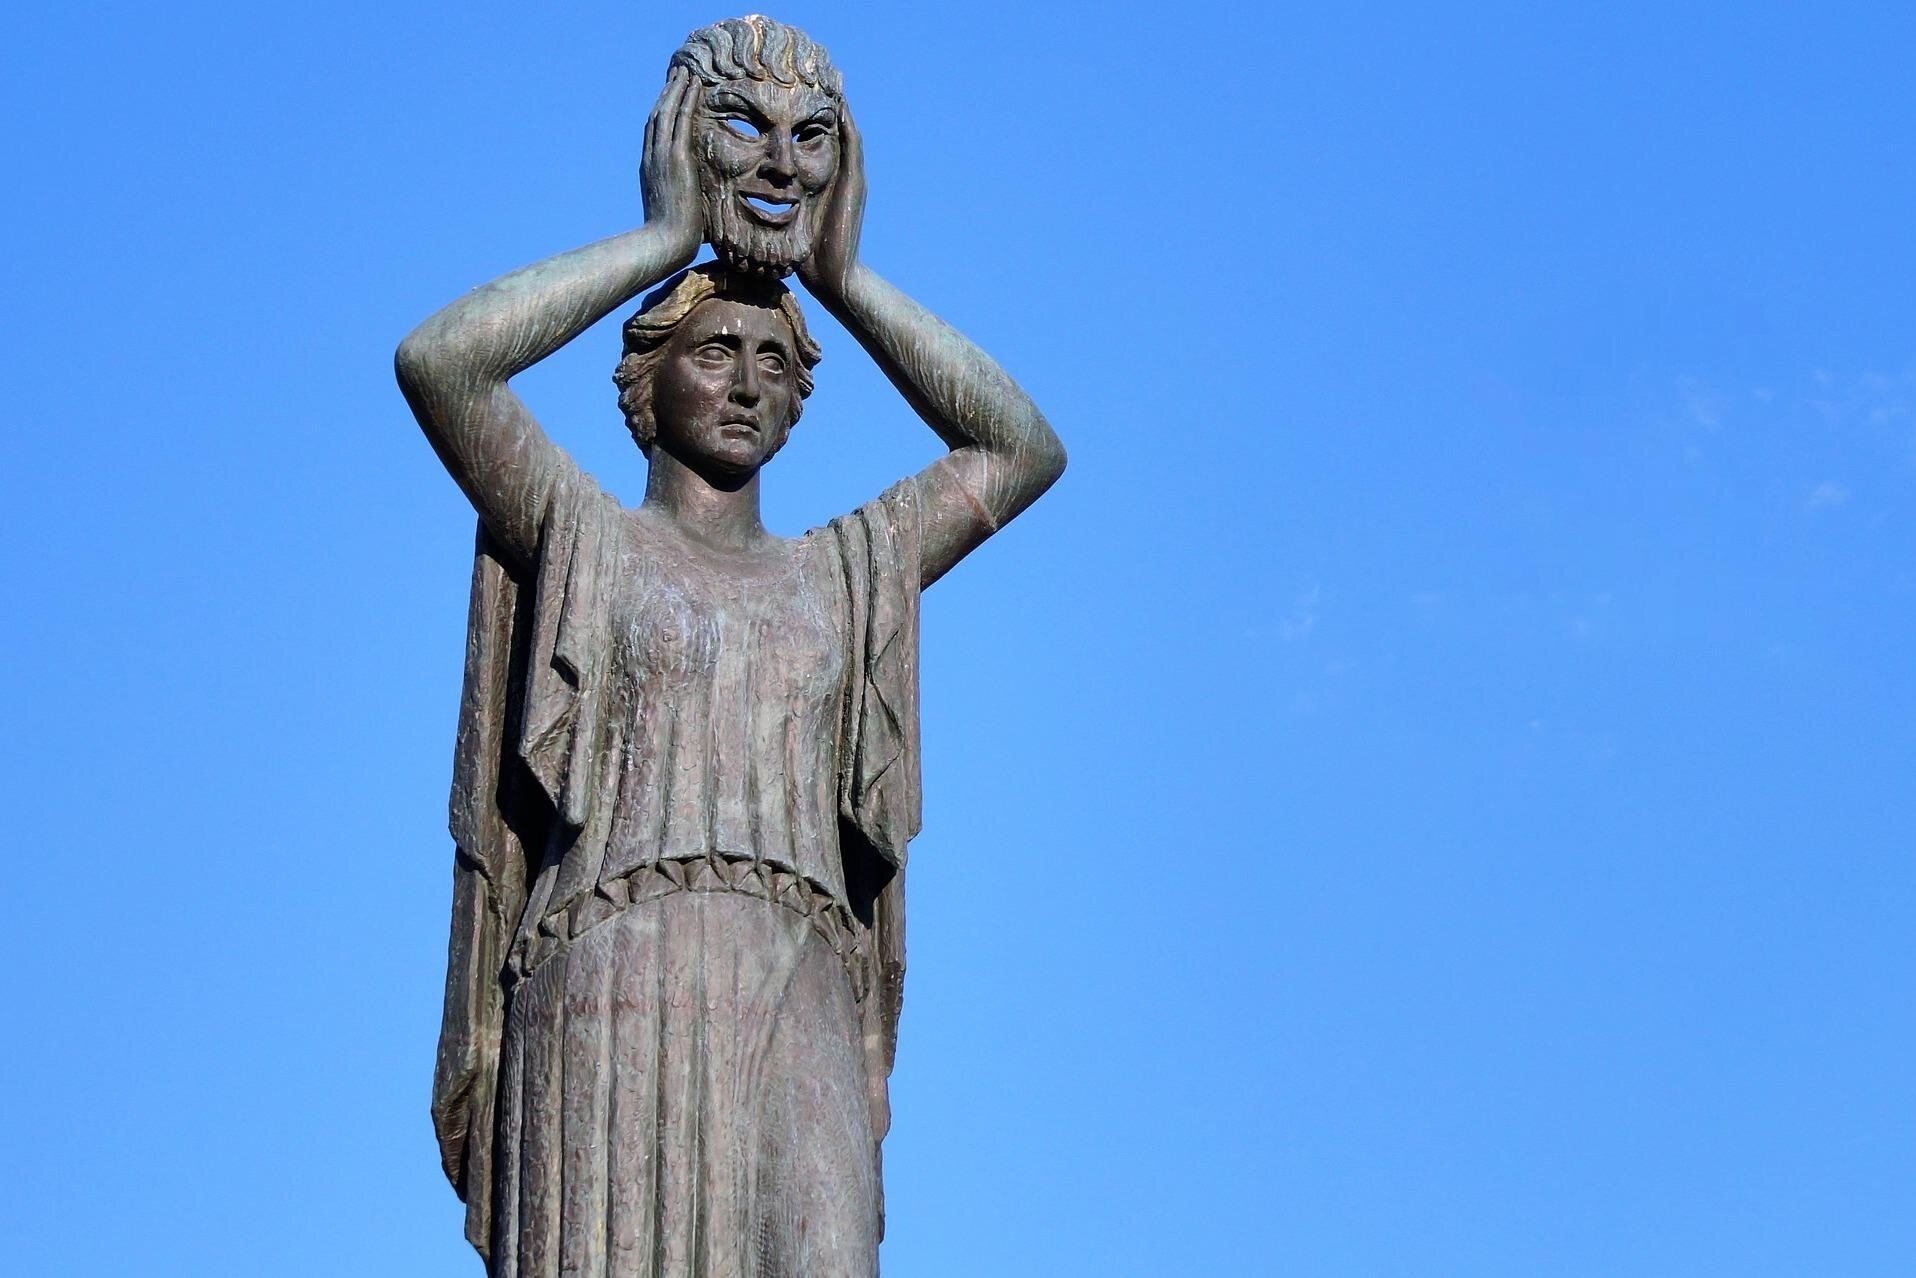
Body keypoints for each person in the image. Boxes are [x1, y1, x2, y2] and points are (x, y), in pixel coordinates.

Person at [395, 17, 1064, 1275]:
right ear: (645, 384)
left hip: (799, 982)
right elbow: (443, 363)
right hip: (605, 985)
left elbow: (1018, 450)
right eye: (714, 351)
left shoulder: (847, 568)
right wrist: (664, 240)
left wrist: (839, 273)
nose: (748, 382)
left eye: (773, 363)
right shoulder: (581, 536)